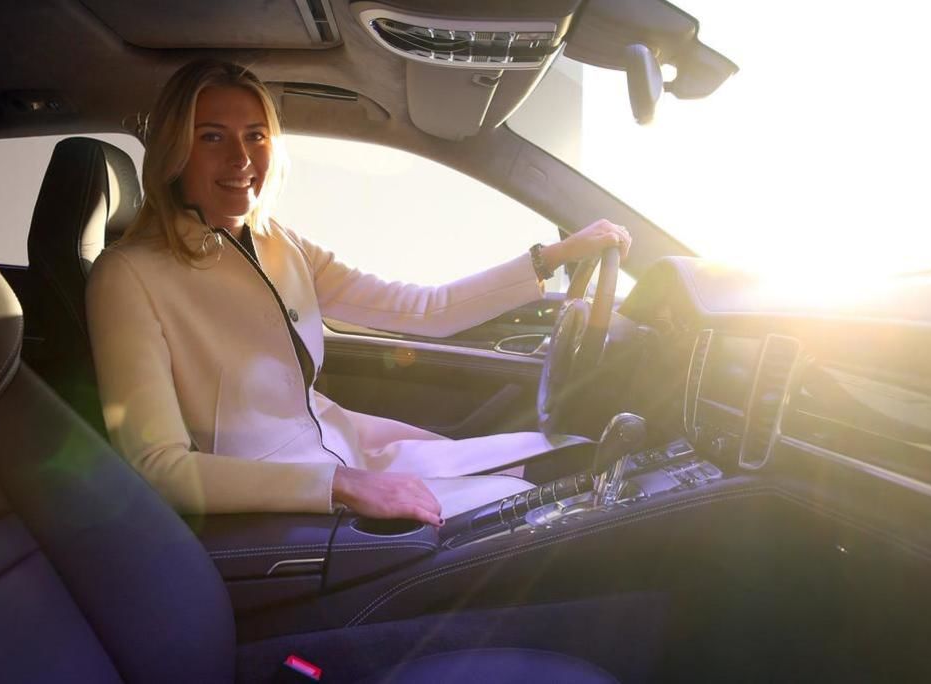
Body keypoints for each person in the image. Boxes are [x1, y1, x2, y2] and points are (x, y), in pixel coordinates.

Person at [86, 59, 632, 528]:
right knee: (545, 518)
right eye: (212, 137)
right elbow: (159, 468)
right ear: (175, 151)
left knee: (571, 459)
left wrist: (553, 256)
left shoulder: (279, 242)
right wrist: (339, 486)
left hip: (354, 457)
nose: (241, 159)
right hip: (290, 507)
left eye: (255, 135)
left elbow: (427, 310)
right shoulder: (127, 276)